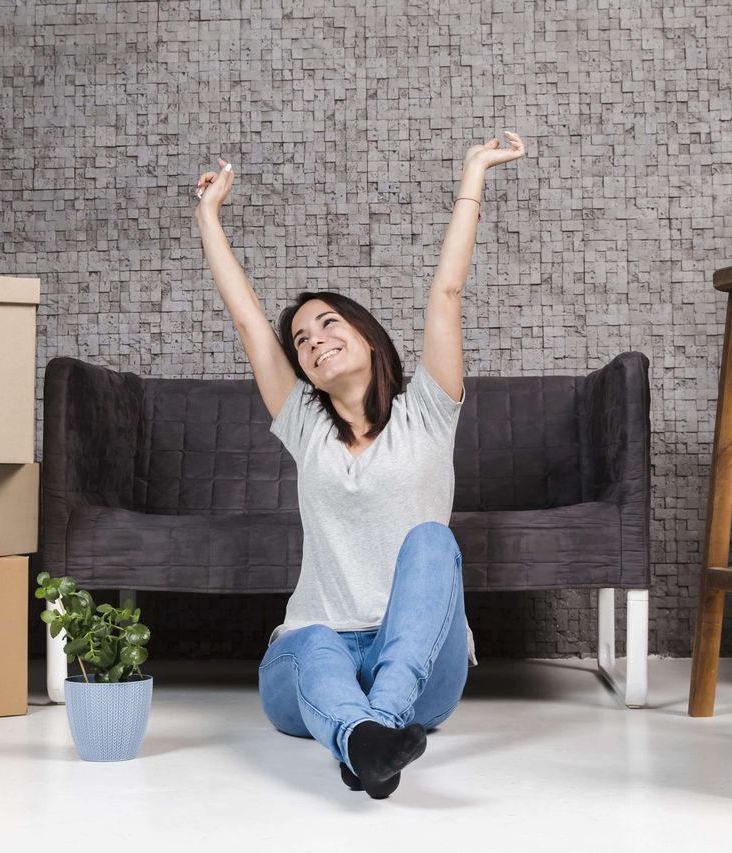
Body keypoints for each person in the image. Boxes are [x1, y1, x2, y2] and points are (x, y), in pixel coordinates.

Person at [193, 131, 525, 798]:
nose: (314, 341)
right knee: (311, 637)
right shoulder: (306, 427)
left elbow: (447, 293)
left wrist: (474, 174)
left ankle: (373, 727)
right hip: (317, 664)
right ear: (304, 369)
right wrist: (208, 215)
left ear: (368, 337)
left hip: (419, 663)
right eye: (302, 341)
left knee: (432, 540)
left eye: (328, 324)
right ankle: (369, 741)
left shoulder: (426, 413)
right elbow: (251, 324)